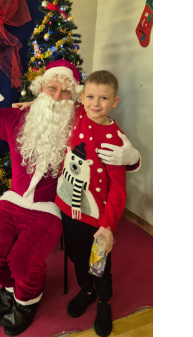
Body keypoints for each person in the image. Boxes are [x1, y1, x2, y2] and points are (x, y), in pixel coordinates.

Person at [0, 59, 140, 336]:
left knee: (26, 261)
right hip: (13, 201)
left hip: (52, 210)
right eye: (51, 88)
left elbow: (106, 138)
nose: (57, 97)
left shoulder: (78, 121)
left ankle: (28, 301)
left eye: (65, 91)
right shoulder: (15, 118)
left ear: (75, 97)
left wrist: (133, 157)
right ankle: (12, 288)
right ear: (40, 88)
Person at [55, 70, 133, 337]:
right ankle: (86, 290)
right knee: (76, 256)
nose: (95, 103)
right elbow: (54, 101)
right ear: (82, 97)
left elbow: (118, 190)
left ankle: (103, 301)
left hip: (98, 220)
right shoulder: (77, 114)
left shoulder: (114, 141)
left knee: (99, 265)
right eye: (90, 96)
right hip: (69, 209)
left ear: (115, 101)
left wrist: (108, 226)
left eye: (103, 98)